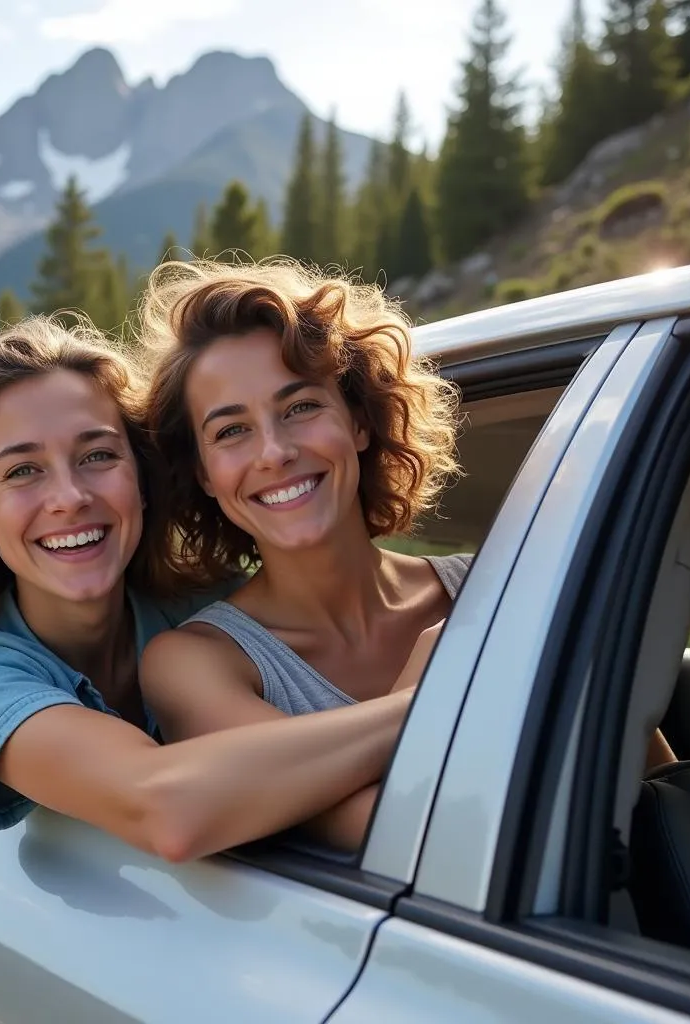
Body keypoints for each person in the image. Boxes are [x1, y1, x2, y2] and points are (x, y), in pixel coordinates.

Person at [0, 316, 432, 864]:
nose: (70, 496)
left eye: (97, 455)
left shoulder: (215, 608)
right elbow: (166, 807)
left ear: (142, 480)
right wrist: (443, 693)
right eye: (22, 470)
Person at [136, 259, 472, 851]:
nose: (275, 452)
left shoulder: (499, 584)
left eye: (300, 408)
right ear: (204, 474)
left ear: (359, 423)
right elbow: (405, 839)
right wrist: (436, 691)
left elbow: (653, 788)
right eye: (231, 431)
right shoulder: (195, 664)